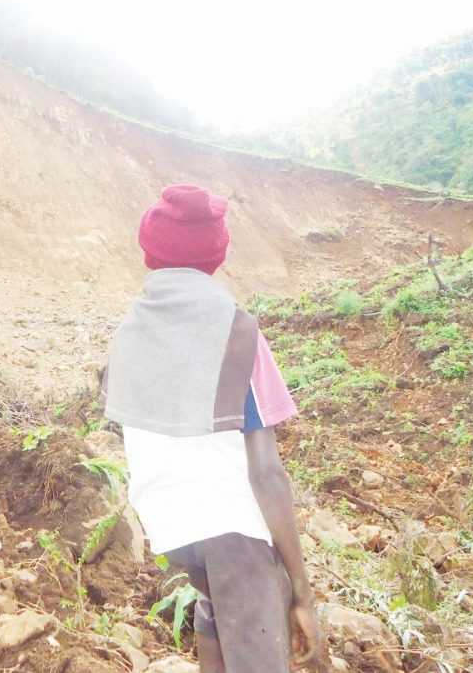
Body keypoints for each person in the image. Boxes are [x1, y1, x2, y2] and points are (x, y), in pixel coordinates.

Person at [101, 185, 320, 672]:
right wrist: (301, 591)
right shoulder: (237, 330)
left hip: (169, 525)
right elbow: (266, 473)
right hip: (233, 530)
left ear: (149, 251)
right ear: (217, 254)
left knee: (214, 605)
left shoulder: (130, 331)